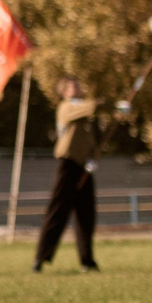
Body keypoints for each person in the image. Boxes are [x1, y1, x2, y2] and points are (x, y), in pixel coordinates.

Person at [34, 77, 101, 272]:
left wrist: (93, 158)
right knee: (58, 211)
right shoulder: (66, 108)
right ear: (64, 91)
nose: (78, 88)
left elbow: (90, 140)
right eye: (73, 86)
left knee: (86, 214)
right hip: (67, 164)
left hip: (83, 167)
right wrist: (109, 105)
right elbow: (90, 108)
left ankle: (87, 260)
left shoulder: (85, 114)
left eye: (79, 85)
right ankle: (41, 257)